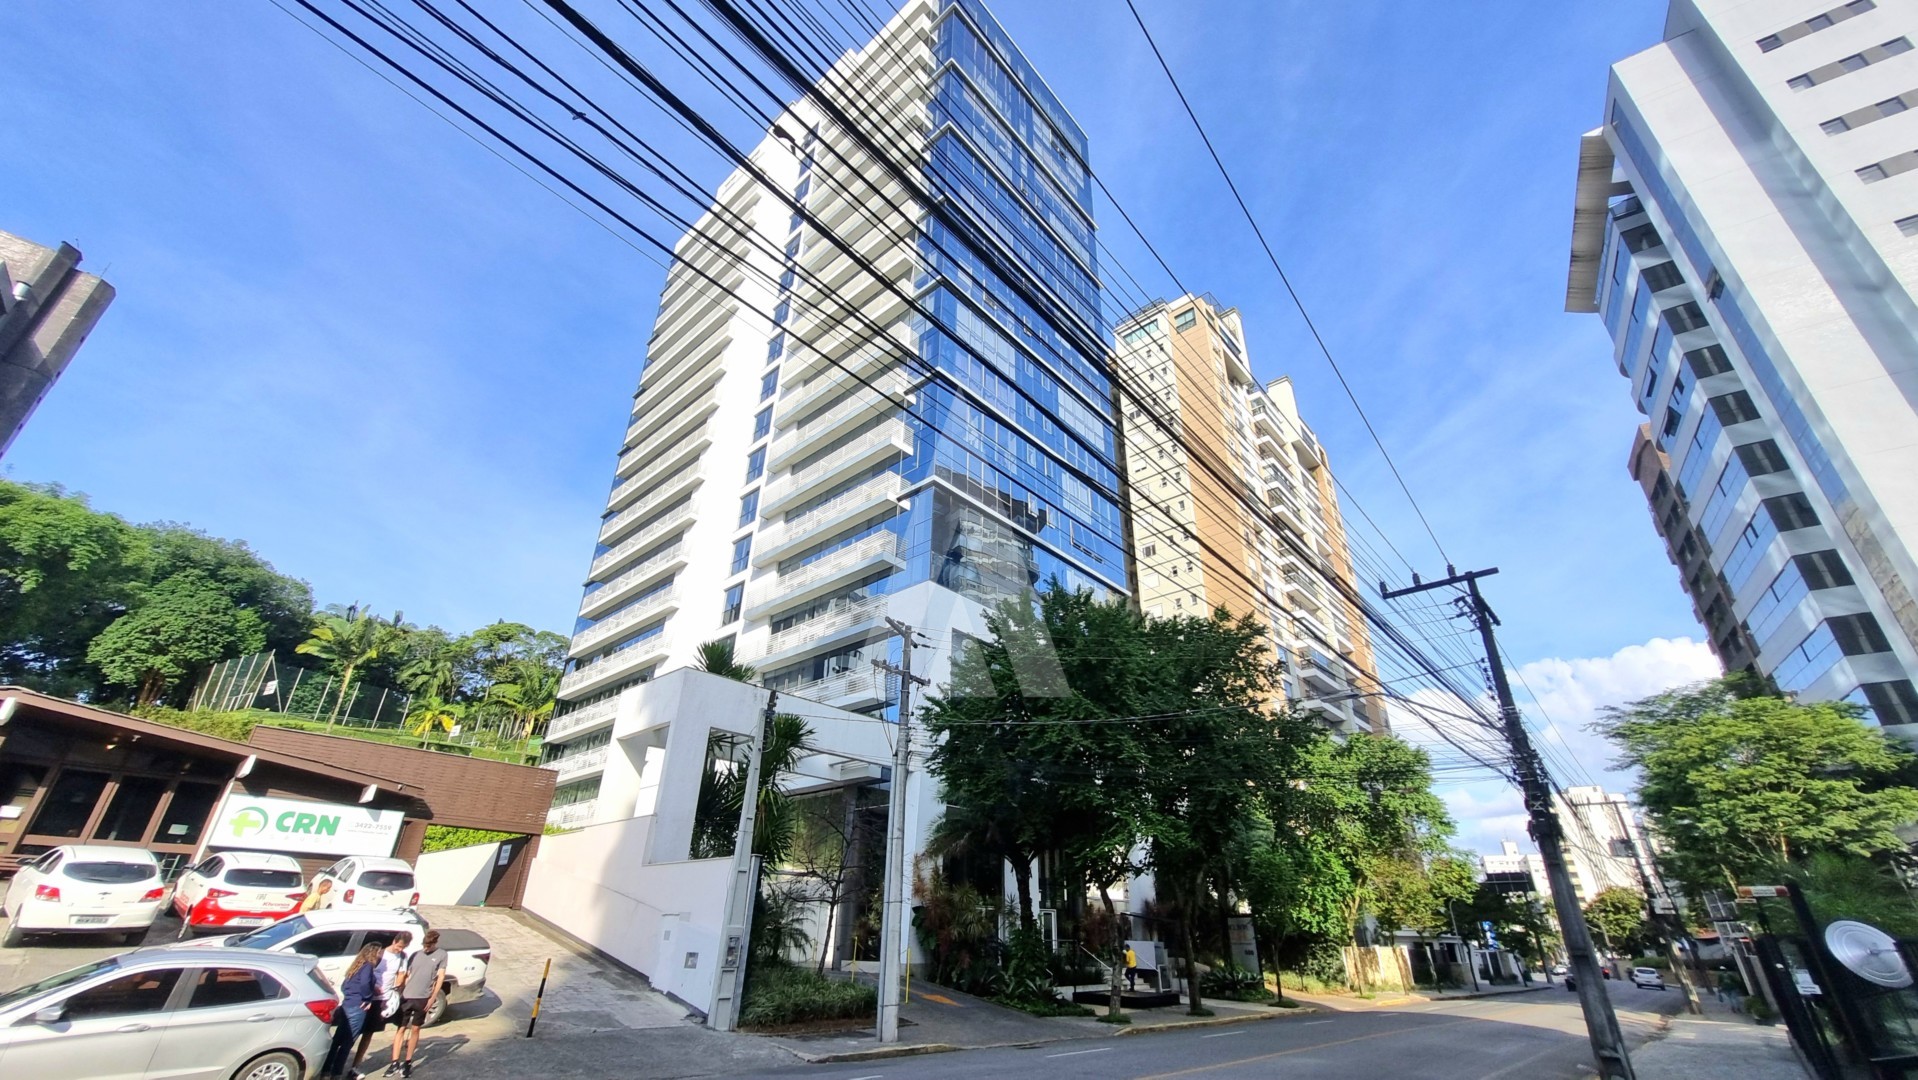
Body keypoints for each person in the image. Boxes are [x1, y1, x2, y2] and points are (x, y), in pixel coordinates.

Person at [387, 929, 446, 1078]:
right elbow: (406, 974)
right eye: (424, 945)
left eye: (428, 946)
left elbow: (440, 978)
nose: (426, 949)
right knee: (400, 1029)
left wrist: (432, 998)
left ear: (435, 943)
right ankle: (394, 1062)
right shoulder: (415, 955)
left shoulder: (441, 955)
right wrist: (399, 990)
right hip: (407, 996)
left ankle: (408, 1062)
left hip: (423, 997)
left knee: (415, 1029)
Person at [321, 943, 383, 1080]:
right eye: (379, 952)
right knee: (348, 1041)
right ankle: (337, 1072)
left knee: (337, 1039)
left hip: (347, 1004)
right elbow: (364, 984)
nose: (380, 956)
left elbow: (344, 986)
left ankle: (325, 1069)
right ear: (374, 953)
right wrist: (367, 998)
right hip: (358, 1006)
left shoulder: (356, 966)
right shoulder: (367, 966)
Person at [352, 931, 411, 1075]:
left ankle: (358, 1065)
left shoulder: (403, 957)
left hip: (386, 999)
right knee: (360, 1032)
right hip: (370, 998)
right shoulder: (380, 954)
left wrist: (397, 987)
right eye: (399, 946)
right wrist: (373, 988)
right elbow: (367, 974)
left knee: (373, 1032)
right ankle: (349, 1063)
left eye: (403, 947)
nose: (400, 949)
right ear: (394, 941)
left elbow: (401, 974)